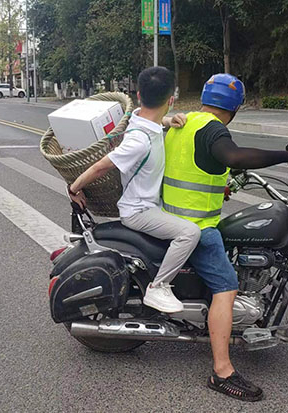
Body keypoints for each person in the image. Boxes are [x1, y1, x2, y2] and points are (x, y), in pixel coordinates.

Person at [163, 73, 288, 402]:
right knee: (227, 287)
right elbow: (233, 156)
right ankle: (222, 371)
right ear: (234, 108)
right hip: (196, 226)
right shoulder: (213, 129)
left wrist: (224, 182)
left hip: (173, 218)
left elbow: (199, 162)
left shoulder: (185, 122)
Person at [68, 66, 195, 314]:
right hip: (139, 211)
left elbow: (148, 119)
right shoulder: (139, 140)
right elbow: (101, 167)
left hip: (149, 205)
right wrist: (73, 188)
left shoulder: (139, 120)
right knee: (189, 233)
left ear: (139, 95)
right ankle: (158, 287)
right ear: (171, 100)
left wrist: (167, 120)